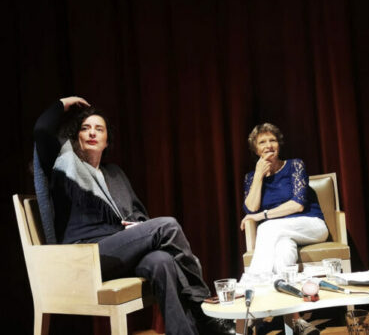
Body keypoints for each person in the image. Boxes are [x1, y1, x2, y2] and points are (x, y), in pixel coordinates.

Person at [33, 97, 233, 335]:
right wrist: (65, 103)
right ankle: (202, 308)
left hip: (117, 252)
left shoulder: (114, 174)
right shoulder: (65, 166)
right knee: (167, 225)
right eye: (85, 129)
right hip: (85, 256)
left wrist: (136, 225)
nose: (92, 133)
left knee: (162, 261)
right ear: (76, 136)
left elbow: (137, 212)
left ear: (107, 140)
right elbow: (42, 129)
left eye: (99, 129)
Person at [239, 123, 329, 335]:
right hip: (281, 235)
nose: (269, 145)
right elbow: (250, 207)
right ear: (255, 149)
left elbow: (297, 204)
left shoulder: (295, 166)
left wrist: (263, 216)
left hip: (311, 226)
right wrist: (260, 175)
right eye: (262, 142)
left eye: (272, 140)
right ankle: (296, 320)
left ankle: (251, 299)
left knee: (268, 228)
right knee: (282, 253)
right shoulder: (251, 178)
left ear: (279, 144)